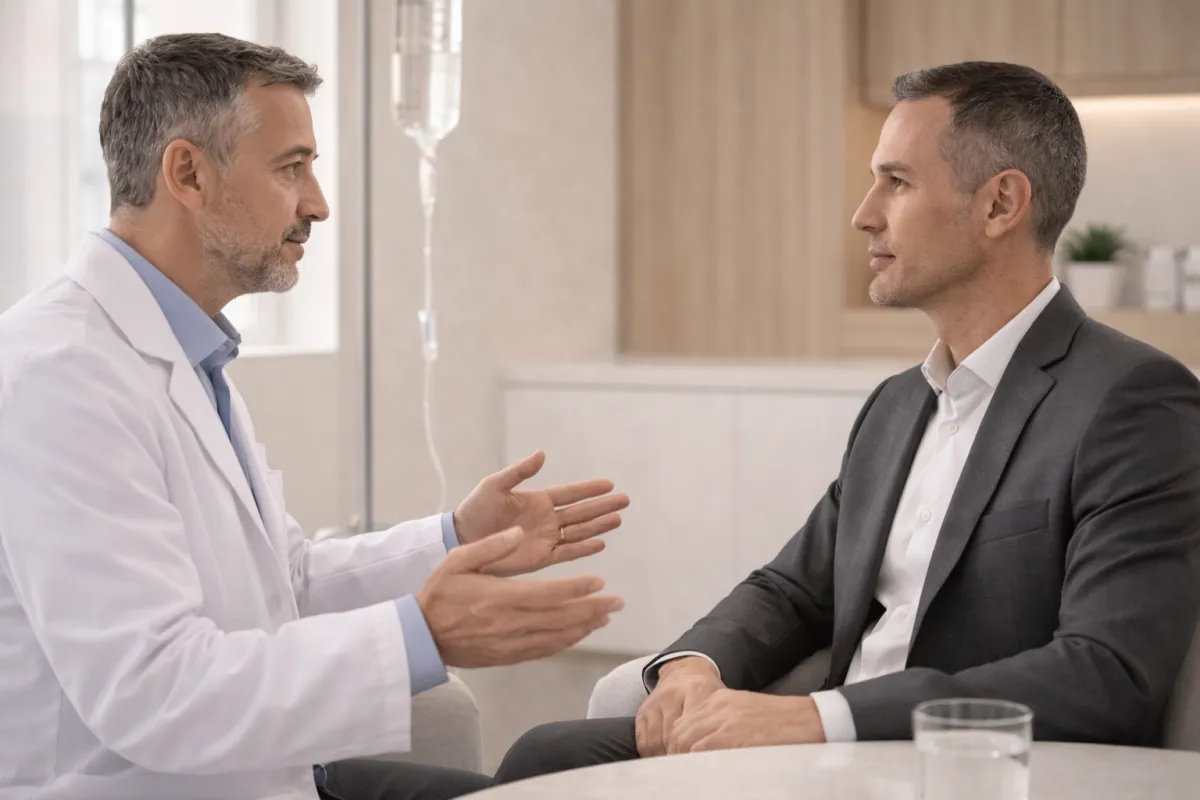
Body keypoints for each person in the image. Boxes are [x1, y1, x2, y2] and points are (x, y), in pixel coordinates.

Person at [491, 60, 1200, 784]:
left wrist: (814, 719)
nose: (864, 213)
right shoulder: (898, 404)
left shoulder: (1133, 401)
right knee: (544, 755)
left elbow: (1106, 674)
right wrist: (692, 670)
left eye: (897, 181)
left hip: (951, 772)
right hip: (828, 758)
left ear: (1000, 205)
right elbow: (792, 590)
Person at [0, 33, 629, 800]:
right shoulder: (61, 374)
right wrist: (417, 637)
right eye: (291, 167)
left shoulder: (185, 350)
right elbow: (151, 691)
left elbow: (283, 584)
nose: (318, 204)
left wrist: (453, 539)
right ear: (187, 173)